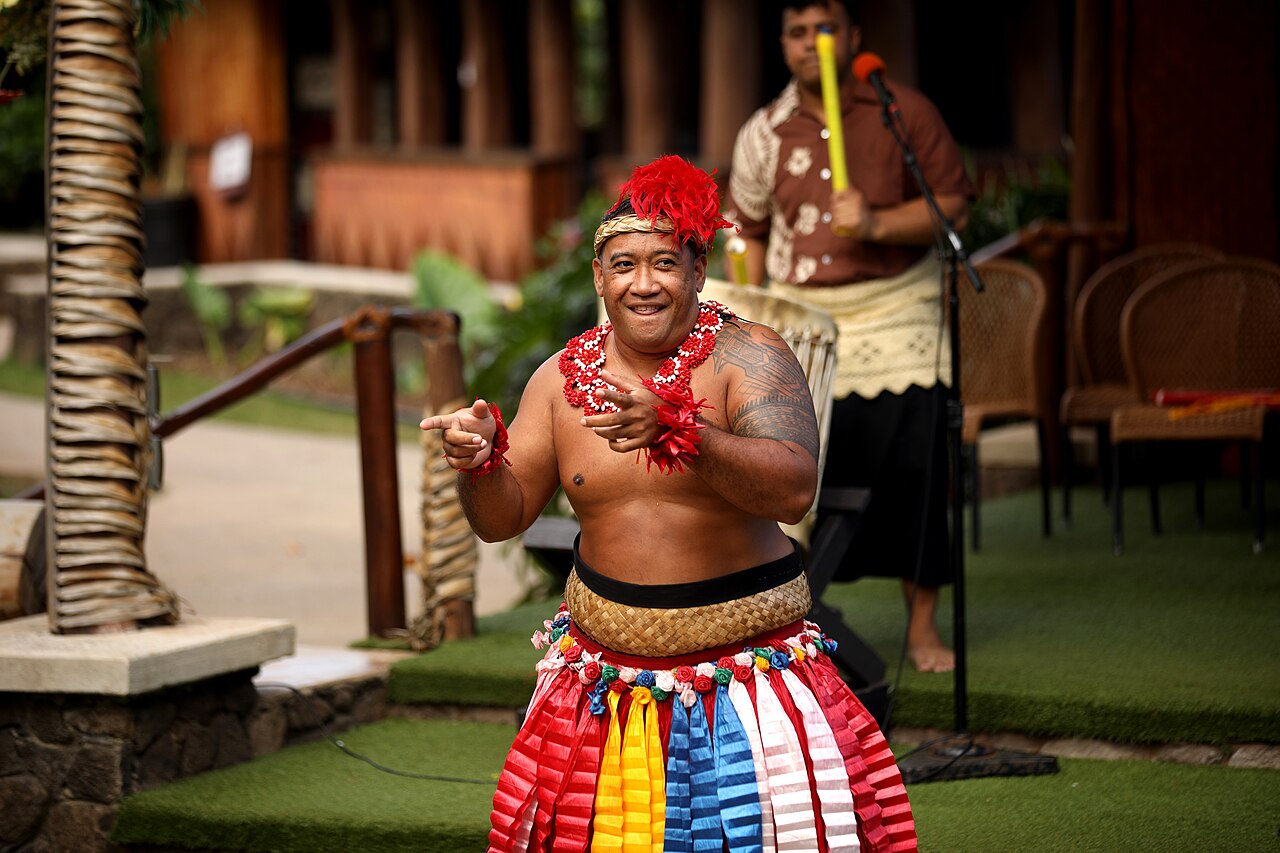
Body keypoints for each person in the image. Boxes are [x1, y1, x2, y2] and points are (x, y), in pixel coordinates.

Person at [422, 155, 918, 852]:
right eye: (624, 265)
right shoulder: (560, 381)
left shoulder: (750, 357)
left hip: (746, 680)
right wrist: (480, 466)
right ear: (599, 276)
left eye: (663, 263)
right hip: (602, 685)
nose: (643, 284)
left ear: (697, 270)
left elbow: (794, 485)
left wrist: (683, 431)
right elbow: (504, 518)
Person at [723, 0, 974, 673]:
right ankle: (790, 616)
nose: (813, 44)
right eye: (799, 32)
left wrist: (878, 225)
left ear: (854, 38)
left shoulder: (903, 111)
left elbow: (953, 204)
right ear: (783, 46)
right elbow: (743, 225)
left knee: (919, 464)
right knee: (787, 464)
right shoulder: (764, 131)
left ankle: (921, 627)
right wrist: (749, 288)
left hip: (899, 310)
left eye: (826, 29)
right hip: (802, 314)